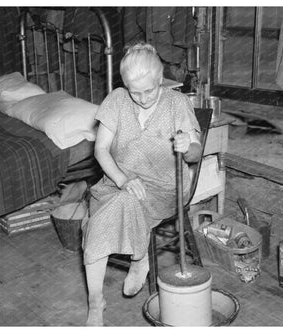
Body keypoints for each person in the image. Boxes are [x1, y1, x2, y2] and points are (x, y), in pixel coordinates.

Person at [82, 42, 202, 326]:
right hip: (117, 181)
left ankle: (139, 259)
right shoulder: (117, 99)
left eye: (150, 90)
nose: (143, 98)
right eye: (135, 92)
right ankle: (96, 302)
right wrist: (123, 180)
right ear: (124, 85)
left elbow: (196, 153)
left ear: (161, 80)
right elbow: (100, 150)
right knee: (104, 216)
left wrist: (188, 146)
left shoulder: (177, 103)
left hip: (164, 188)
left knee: (124, 203)